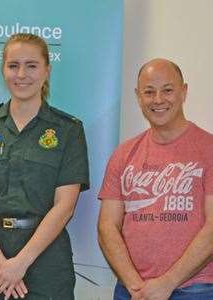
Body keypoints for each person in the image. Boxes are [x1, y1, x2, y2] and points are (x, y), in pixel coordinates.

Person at [0, 33, 90, 300]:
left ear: (47, 71)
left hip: (46, 261)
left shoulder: (68, 130)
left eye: (31, 65)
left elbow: (65, 206)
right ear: (3, 69)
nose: (21, 74)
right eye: (13, 65)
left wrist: (20, 263)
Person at [98, 58, 213, 299]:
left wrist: (167, 283)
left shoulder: (208, 149)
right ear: (139, 97)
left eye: (168, 90)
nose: (158, 99)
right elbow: (107, 227)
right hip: (131, 290)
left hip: (196, 289)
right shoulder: (123, 154)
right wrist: (135, 285)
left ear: (184, 92)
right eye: (149, 92)